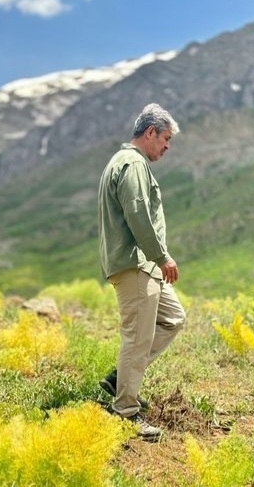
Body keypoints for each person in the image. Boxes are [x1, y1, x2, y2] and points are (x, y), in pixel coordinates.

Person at [97, 103, 187, 441]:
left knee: (174, 318)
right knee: (137, 339)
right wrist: (162, 256)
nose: (167, 146)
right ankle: (126, 412)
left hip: (144, 265)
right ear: (150, 133)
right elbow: (138, 215)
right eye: (165, 139)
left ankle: (120, 379)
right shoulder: (132, 164)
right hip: (137, 264)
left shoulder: (129, 163)